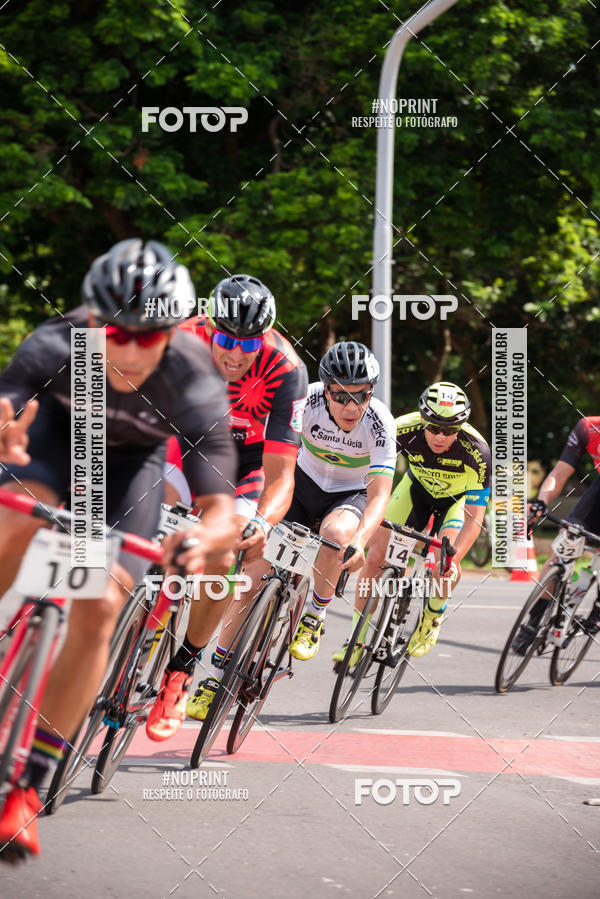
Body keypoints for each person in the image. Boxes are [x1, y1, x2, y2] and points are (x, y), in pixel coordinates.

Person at [0, 239, 236, 861]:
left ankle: (27, 785)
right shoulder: (61, 343)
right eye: (115, 331)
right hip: (57, 446)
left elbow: (219, 509)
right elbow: (8, 404)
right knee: (14, 520)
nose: (129, 349)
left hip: (130, 472)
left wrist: (200, 538)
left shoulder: (193, 377)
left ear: (173, 331)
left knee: (102, 606)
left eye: (148, 335)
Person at [146, 273, 308, 734]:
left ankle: (180, 671)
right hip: (183, 446)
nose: (236, 354)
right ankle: (140, 615)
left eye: (249, 344)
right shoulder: (180, 339)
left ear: (265, 338)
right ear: (209, 325)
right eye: (227, 340)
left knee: (223, 552)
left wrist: (262, 521)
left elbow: (281, 475)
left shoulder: (286, 369)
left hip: (245, 464)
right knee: (149, 515)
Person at [340, 382, 490, 663]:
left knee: (445, 563)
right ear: (422, 419)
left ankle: (433, 615)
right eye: (433, 427)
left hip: (455, 503)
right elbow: (367, 470)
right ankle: (356, 638)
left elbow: (474, 518)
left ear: (461, 427)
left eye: (449, 430)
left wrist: (453, 558)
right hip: (414, 491)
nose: (440, 436)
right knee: (376, 557)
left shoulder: (477, 452)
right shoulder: (401, 428)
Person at [285, 341, 397, 661]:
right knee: (257, 569)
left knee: (336, 535)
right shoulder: (305, 399)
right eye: (341, 396)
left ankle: (314, 615)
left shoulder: (380, 423)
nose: (352, 407)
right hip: (303, 481)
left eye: (361, 396)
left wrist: (359, 541)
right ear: (326, 390)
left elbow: (379, 495)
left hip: (349, 492)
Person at [515, 417, 600, 652]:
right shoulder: (589, 428)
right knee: (564, 546)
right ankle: (533, 621)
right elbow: (559, 473)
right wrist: (541, 501)